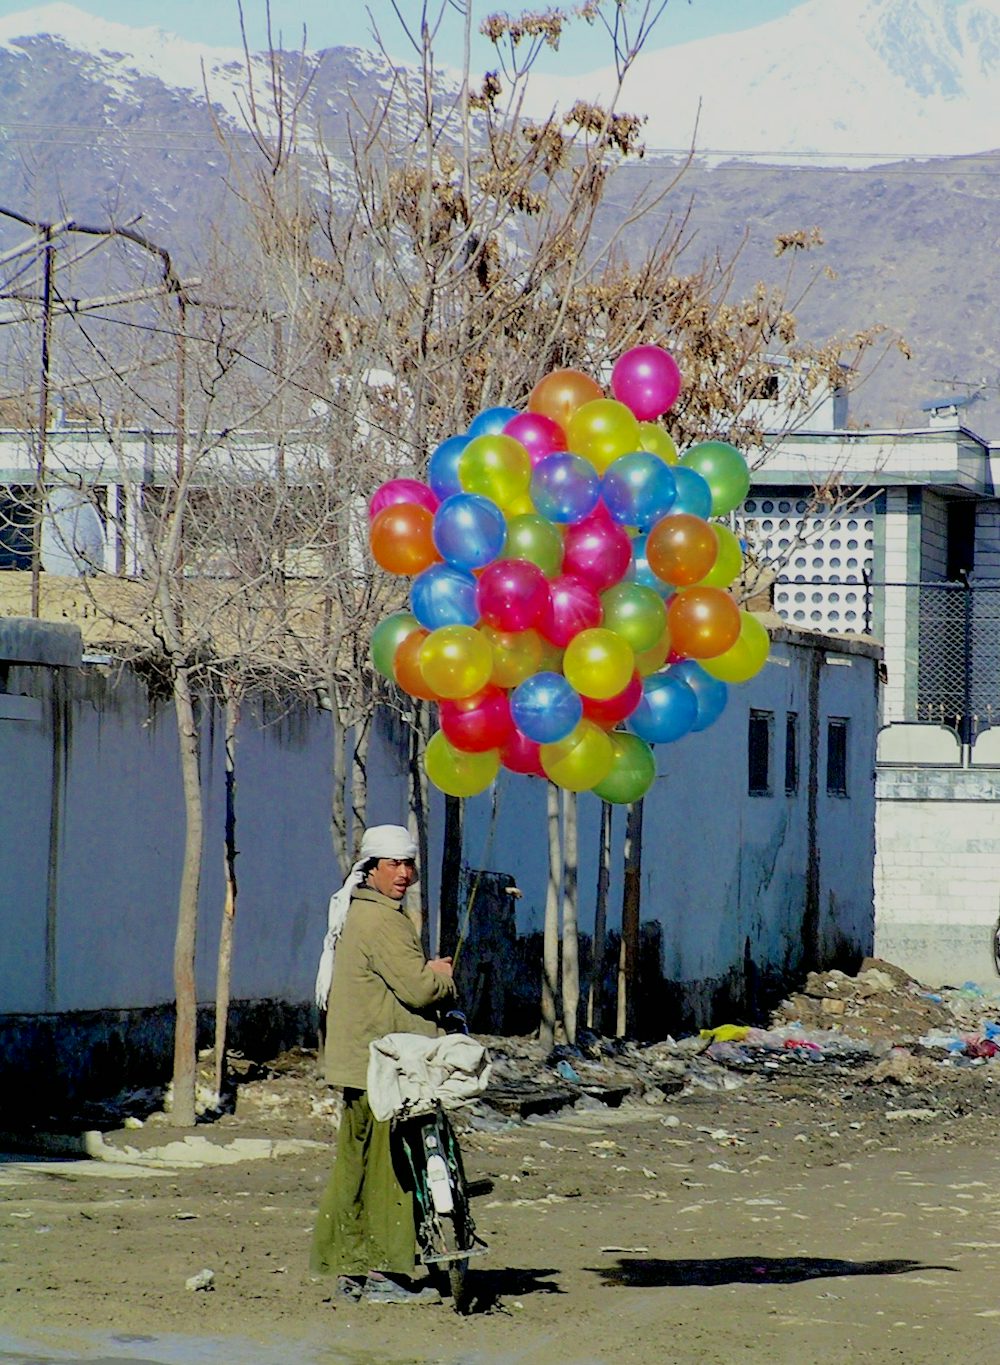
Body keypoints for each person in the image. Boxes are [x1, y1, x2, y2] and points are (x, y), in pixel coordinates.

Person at [310, 824, 456, 1306]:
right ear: (371, 868)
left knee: (353, 1172)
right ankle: (384, 1275)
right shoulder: (384, 922)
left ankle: (348, 1272)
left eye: (409, 864)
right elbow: (417, 989)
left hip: (356, 1066)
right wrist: (442, 978)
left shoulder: (356, 915)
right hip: (383, 1072)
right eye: (394, 864)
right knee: (388, 1172)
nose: (405, 873)